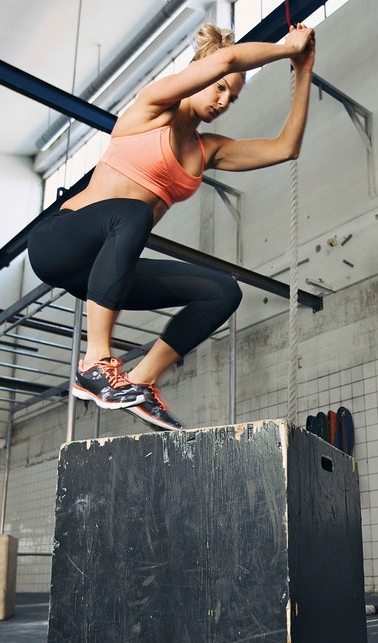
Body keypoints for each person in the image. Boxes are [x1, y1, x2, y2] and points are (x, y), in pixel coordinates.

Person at [27, 22, 316, 430]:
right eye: (218, 86)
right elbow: (229, 58)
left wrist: (303, 69)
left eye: (232, 98)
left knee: (222, 291)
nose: (223, 101)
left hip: (99, 269)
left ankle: (141, 380)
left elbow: (286, 148)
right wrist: (287, 47)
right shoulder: (154, 106)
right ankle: (94, 363)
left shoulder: (206, 150)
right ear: (201, 73)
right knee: (133, 212)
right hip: (59, 242)